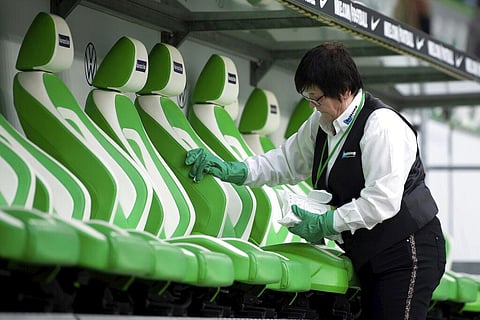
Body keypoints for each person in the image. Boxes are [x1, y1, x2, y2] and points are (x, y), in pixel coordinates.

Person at [185, 42, 446, 320]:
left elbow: (381, 202)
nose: (312, 105)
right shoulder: (320, 123)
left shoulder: (381, 126)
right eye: (308, 98)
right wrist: (233, 170)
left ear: (344, 90)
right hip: (371, 253)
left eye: (317, 98)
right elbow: (284, 163)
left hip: (409, 251)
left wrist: (325, 224)